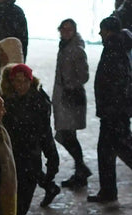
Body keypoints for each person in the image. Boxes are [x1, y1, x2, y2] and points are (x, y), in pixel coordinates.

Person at [2, 64, 59, 215]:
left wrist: (52, 160)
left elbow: (45, 134)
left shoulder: (39, 103)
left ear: (30, 81)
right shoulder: (5, 103)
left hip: (30, 167)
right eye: (16, 81)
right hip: (10, 166)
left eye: (24, 81)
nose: (20, 85)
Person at [89, 16, 132, 203]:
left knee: (118, 148)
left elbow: (115, 83)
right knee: (110, 149)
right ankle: (107, 190)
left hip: (113, 111)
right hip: (115, 110)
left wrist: (110, 108)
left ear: (109, 31)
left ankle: (108, 191)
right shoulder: (118, 47)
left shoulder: (114, 49)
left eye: (102, 29)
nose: (99, 33)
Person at [52, 19, 91, 190]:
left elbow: (84, 76)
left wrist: (70, 85)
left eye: (69, 29)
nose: (65, 32)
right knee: (66, 134)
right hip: (64, 97)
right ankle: (81, 170)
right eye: (63, 29)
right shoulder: (65, 47)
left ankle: (81, 169)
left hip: (71, 98)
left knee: (66, 134)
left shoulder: (76, 50)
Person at [0, 0, 28, 94]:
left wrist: (21, 64)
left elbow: (22, 41)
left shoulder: (16, 12)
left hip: (13, 58)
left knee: (13, 91)